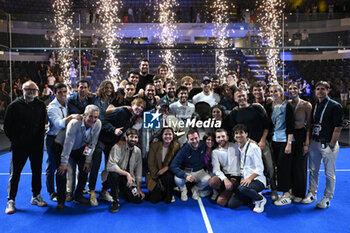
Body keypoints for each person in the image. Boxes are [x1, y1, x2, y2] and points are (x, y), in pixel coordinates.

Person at [225, 88, 276, 200]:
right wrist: (245, 142)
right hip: (245, 146)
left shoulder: (257, 108)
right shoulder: (234, 113)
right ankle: (251, 190)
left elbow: (266, 126)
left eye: (243, 95)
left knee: (269, 167)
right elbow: (234, 130)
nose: (241, 98)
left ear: (247, 96)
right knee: (247, 168)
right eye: (239, 96)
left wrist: (262, 141)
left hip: (261, 143)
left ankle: (274, 190)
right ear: (235, 99)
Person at [5, 81, 47, 214]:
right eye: (28, 89)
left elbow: (42, 125)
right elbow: (7, 127)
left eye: (33, 90)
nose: (31, 92)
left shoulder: (40, 105)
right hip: (19, 147)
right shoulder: (14, 106)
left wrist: (39, 140)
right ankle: (11, 200)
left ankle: (36, 196)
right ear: (22, 90)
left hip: (36, 146)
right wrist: (16, 140)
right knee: (15, 174)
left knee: (37, 172)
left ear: (37, 91)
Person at [302, 81, 344, 209]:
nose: (320, 91)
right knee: (313, 170)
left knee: (329, 172)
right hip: (315, 142)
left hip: (328, 144)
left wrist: (332, 144)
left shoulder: (335, 106)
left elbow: (338, 127)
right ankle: (312, 193)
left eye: (323, 89)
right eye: (318, 89)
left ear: (328, 90)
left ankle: (327, 197)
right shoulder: (315, 105)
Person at [54, 104, 101, 210]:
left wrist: (88, 160)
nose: (93, 119)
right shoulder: (74, 123)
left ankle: (78, 196)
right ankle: (61, 200)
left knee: (85, 168)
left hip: (80, 147)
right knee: (61, 171)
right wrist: (63, 163)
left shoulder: (98, 124)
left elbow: (92, 144)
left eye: (95, 117)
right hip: (62, 146)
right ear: (84, 115)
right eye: (90, 116)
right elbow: (68, 143)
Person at [46, 83, 82, 202]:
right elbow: (59, 124)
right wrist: (71, 117)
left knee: (64, 166)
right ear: (55, 93)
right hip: (53, 139)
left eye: (64, 92)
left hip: (65, 139)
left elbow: (80, 95)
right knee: (52, 167)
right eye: (60, 92)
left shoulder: (68, 103)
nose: (62, 94)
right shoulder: (52, 107)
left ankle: (66, 191)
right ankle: (52, 192)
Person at [227, 124, 267, 213]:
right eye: (236, 133)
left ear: (246, 134)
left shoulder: (254, 147)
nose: (238, 135)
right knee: (232, 204)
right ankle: (253, 195)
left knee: (242, 188)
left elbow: (260, 168)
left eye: (241, 132)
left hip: (257, 180)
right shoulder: (236, 147)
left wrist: (249, 179)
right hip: (244, 180)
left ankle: (260, 199)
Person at [88, 81, 116, 206]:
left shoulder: (115, 99)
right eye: (107, 87)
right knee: (95, 164)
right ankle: (92, 191)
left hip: (111, 138)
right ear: (102, 88)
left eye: (111, 87)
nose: (109, 89)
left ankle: (105, 190)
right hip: (99, 137)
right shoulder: (94, 99)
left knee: (109, 166)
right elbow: (100, 118)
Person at [106, 128, 145, 213]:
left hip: (128, 180)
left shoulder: (138, 151)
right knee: (114, 175)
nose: (133, 139)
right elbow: (111, 165)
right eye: (131, 137)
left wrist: (138, 188)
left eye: (136, 137)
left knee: (137, 199)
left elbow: (138, 170)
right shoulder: (117, 147)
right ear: (126, 137)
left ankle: (120, 190)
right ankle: (115, 201)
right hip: (115, 176)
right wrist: (127, 174)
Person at [269, 84, 295, 206]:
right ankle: (284, 191)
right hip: (275, 140)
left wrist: (289, 143)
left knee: (284, 167)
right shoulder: (272, 106)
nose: (273, 93)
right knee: (278, 167)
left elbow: (291, 125)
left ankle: (287, 195)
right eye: (271, 91)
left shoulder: (287, 106)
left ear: (281, 92)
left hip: (285, 140)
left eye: (276, 91)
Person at [170, 129, 211, 201]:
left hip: (199, 171)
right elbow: (173, 166)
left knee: (208, 180)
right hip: (186, 171)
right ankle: (183, 190)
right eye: (192, 139)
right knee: (177, 179)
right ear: (188, 140)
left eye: (196, 138)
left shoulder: (203, 144)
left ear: (199, 137)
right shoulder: (183, 150)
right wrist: (185, 176)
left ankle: (195, 189)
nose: (195, 141)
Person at [288, 83, 312, 202]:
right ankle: (291, 190)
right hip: (290, 136)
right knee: (291, 164)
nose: (292, 90)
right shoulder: (287, 104)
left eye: (295, 88)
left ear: (299, 90)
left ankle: (300, 193)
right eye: (290, 88)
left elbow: (309, 125)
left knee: (300, 165)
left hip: (302, 135)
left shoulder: (306, 105)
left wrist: (307, 142)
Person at [147, 127, 180, 203]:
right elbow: (150, 164)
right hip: (155, 171)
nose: (168, 136)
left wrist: (167, 168)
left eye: (170, 134)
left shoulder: (176, 146)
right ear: (162, 135)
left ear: (173, 136)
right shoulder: (154, 145)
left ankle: (170, 193)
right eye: (166, 134)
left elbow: (177, 162)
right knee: (154, 200)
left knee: (168, 177)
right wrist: (157, 175)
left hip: (168, 171)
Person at [209, 129, 240, 207]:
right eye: (218, 137)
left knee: (220, 202)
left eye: (223, 136)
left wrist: (250, 141)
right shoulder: (215, 152)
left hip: (237, 177)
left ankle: (233, 192)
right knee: (213, 181)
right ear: (216, 139)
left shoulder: (236, 146)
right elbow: (216, 169)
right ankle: (228, 192)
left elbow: (247, 144)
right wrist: (225, 179)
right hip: (226, 176)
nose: (221, 139)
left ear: (227, 137)